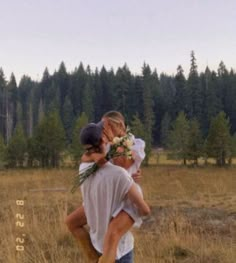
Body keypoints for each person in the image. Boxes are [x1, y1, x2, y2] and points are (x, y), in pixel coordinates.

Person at [65, 111, 147, 262]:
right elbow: (88, 156)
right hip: (105, 191)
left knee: (112, 235)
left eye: (106, 125)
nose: (103, 129)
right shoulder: (105, 143)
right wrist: (96, 155)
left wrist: (114, 141)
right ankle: (94, 258)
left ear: (119, 125)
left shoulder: (134, 143)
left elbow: (123, 165)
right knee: (71, 222)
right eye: (101, 126)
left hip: (124, 195)